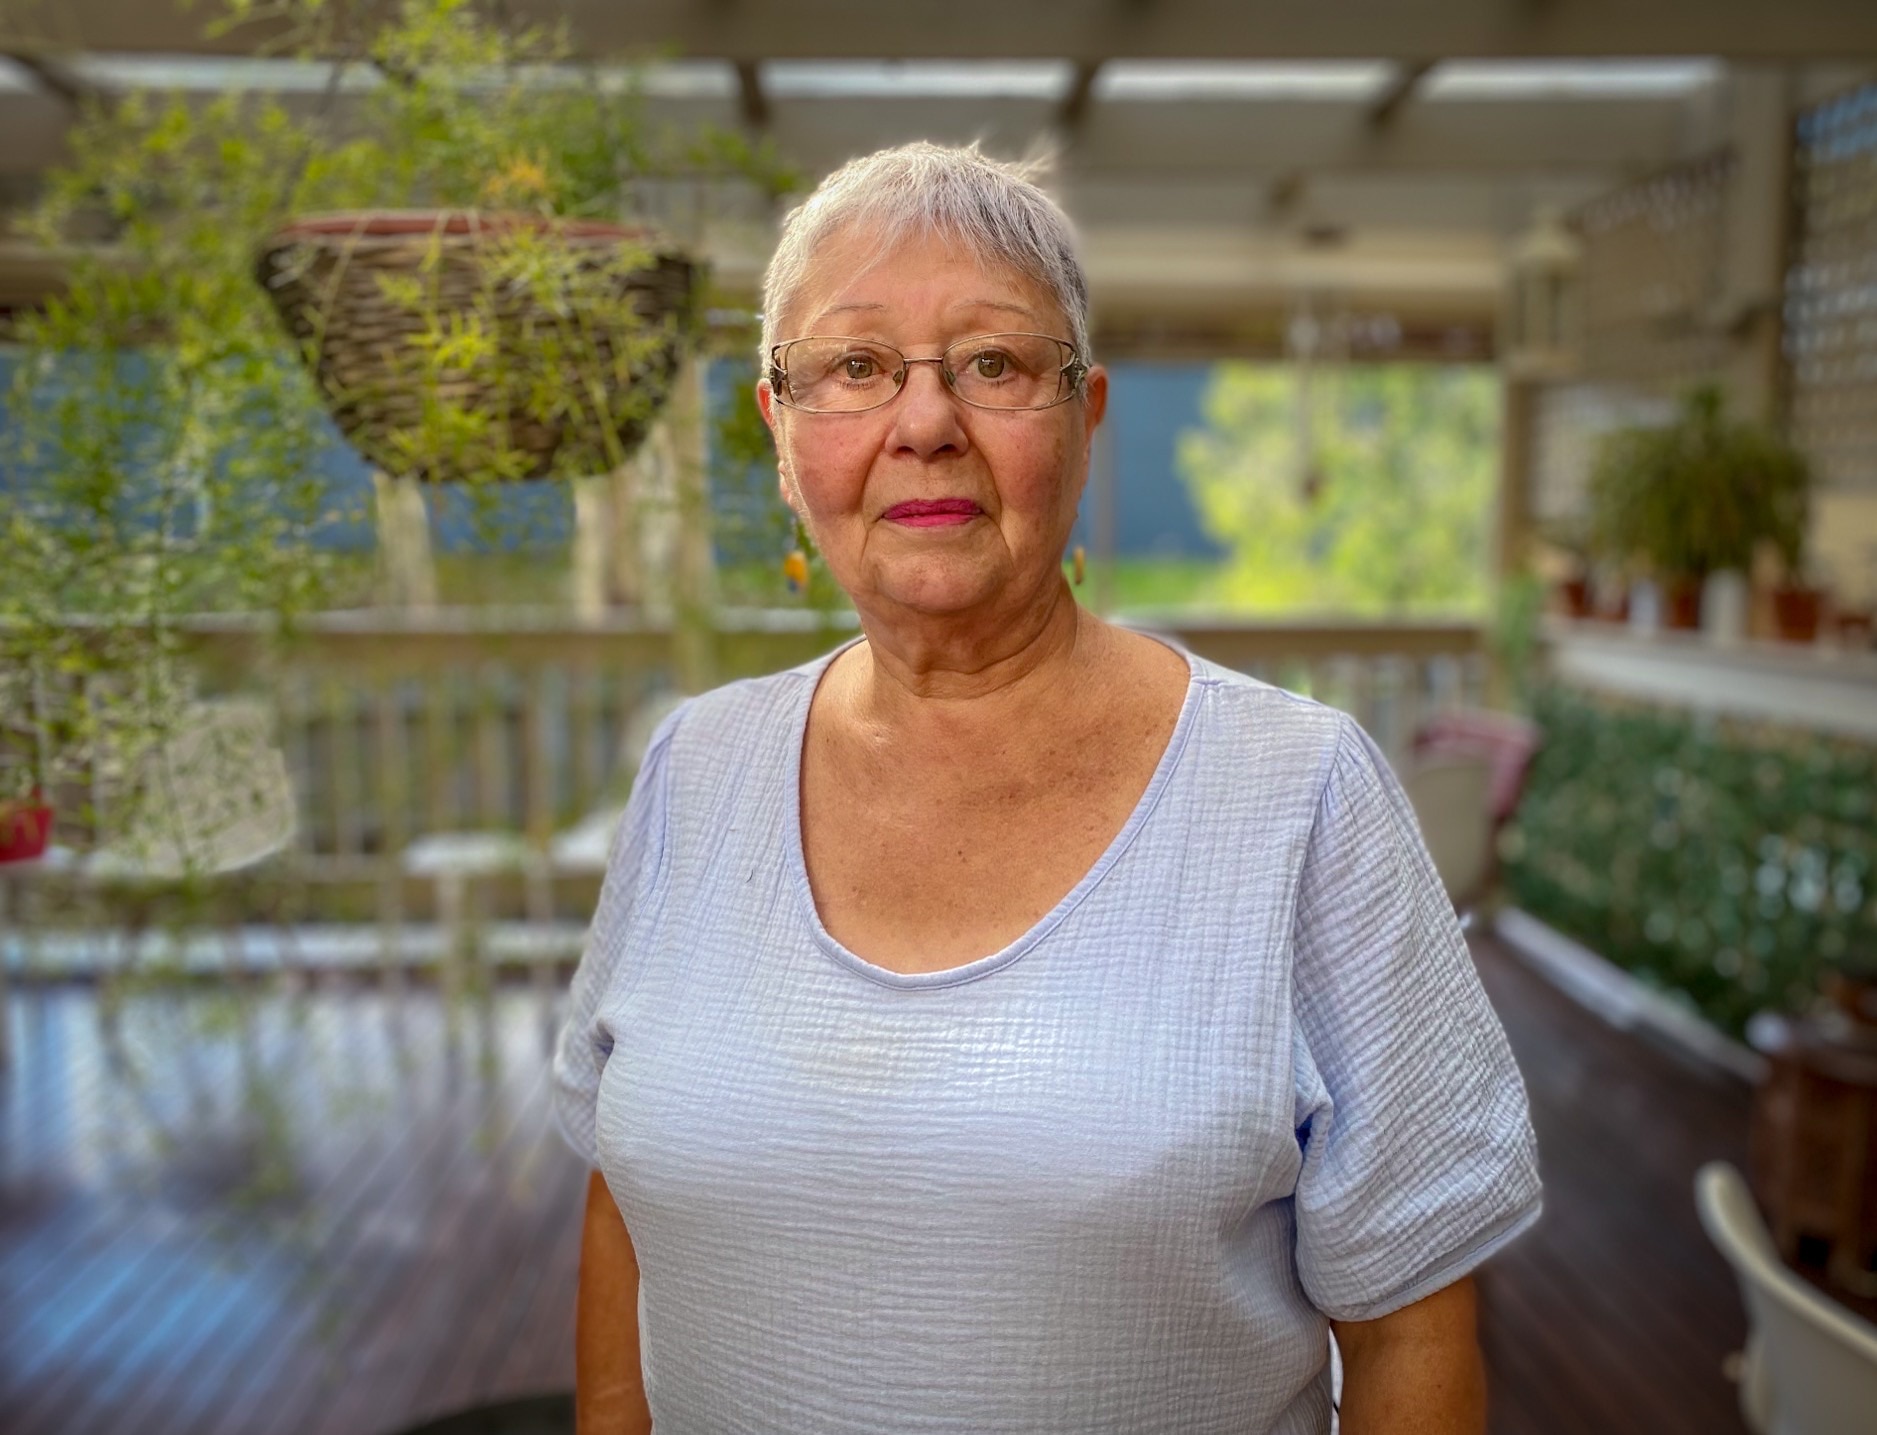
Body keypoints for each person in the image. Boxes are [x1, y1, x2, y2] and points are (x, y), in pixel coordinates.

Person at [553, 141, 1541, 1435]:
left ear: (1082, 416)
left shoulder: (1296, 795)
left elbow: (1410, 1324)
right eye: (854, 366)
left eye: (993, 365)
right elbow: (625, 1201)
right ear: (779, 434)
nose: (922, 424)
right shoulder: (697, 765)